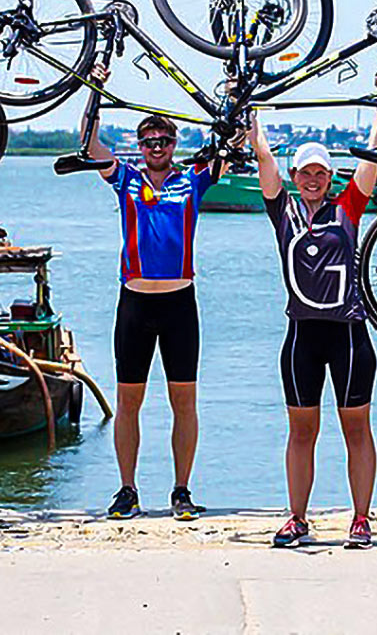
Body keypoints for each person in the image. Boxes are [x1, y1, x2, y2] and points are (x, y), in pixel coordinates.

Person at [249, 67, 377, 550]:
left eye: (320, 173)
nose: (312, 180)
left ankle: (360, 518)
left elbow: (372, 162)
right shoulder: (283, 210)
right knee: (301, 431)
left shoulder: (348, 207)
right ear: (295, 177)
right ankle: (297, 517)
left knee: (357, 428)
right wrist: (251, 109)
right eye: (304, 173)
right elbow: (262, 157)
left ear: (330, 177)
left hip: (350, 334)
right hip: (301, 338)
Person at [85, 63, 229, 521]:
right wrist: (97, 85)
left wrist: (231, 91)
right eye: (149, 141)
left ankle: (182, 490)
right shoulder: (125, 177)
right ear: (140, 145)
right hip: (135, 302)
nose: (156, 148)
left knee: (183, 401)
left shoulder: (194, 179)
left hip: (180, 303)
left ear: (174, 145)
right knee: (129, 401)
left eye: (164, 141)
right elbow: (89, 143)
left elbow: (233, 142)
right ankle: (127, 489)